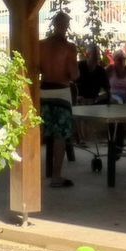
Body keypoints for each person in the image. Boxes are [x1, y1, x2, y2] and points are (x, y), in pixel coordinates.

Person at [38, 10, 80, 188]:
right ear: (65, 26)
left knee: (40, 131)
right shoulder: (69, 48)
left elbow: (37, 68)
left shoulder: (41, 45)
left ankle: (30, 173)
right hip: (62, 92)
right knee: (60, 135)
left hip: (44, 91)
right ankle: (56, 176)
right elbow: (74, 74)